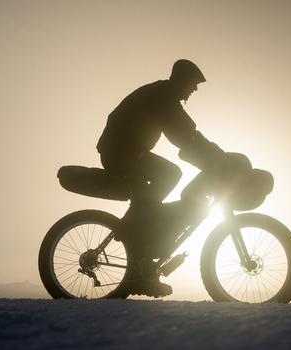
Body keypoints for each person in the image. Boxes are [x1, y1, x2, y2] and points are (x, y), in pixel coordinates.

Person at [96, 59, 225, 297]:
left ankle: (141, 259)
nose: (194, 89)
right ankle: (137, 225)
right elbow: (185, 136)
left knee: (165, 178)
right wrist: (216, 157)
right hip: (120, 150)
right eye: (193, 83)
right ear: (182, 80)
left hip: (126, 150)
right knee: (169, 173)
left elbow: (186, 135)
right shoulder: (162, 96)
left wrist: (212, 155)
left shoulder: (165, 96)